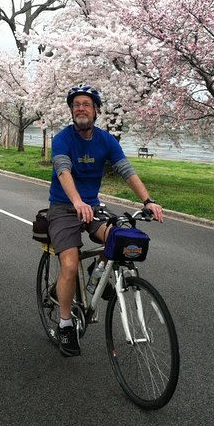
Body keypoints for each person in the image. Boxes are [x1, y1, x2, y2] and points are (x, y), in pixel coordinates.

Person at [47, 84, 164, 357]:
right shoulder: (62, 139)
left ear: (97, 110)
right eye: (76, 105)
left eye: (87, 104)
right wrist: (77, 201)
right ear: (71, 111)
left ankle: (95, 273)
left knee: (119, 238)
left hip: (93, 206)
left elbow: (127, 171)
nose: (81, 108)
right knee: (69, 263)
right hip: (64, 207)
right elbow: (63, 171)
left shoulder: (106, 140)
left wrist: (148, 201)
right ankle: (65, 324)